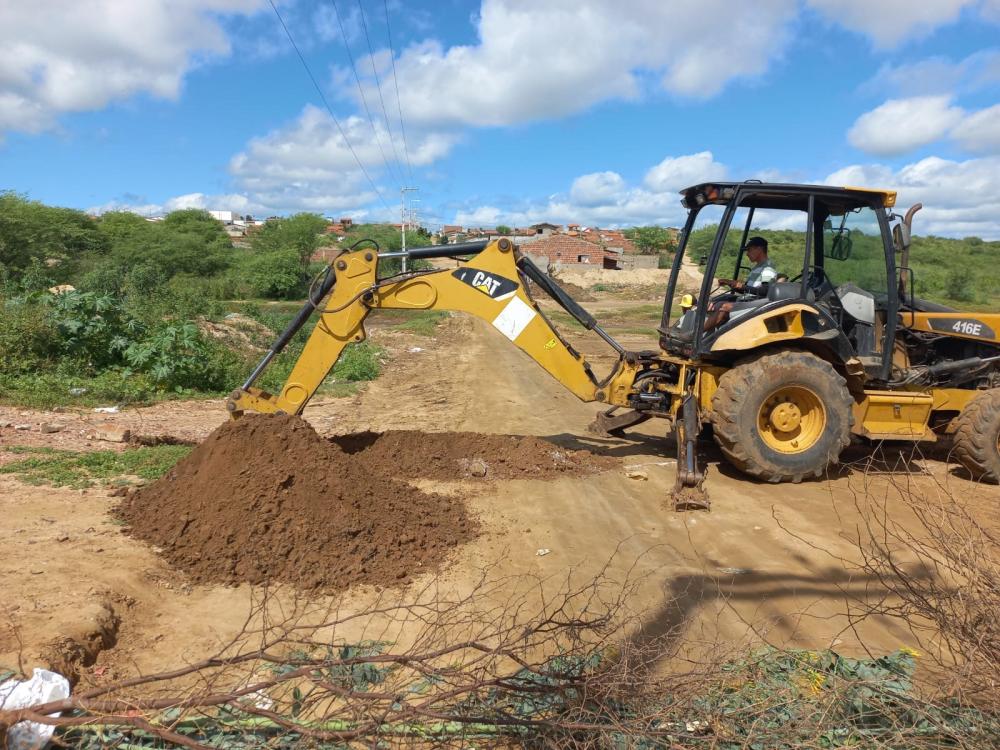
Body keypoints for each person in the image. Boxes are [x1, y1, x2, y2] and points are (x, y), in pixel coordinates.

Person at [704, 237, 779, 330]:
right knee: (714, 301)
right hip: (748, 299)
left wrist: (742, 286)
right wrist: (730, 283)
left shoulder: (768, 268)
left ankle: (696, 335)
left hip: (756, 303)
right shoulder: (757, 267)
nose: (747, 254)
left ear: (759, 249)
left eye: (749, 250)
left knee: (722, 306)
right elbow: (747, 291)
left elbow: (764, 291)